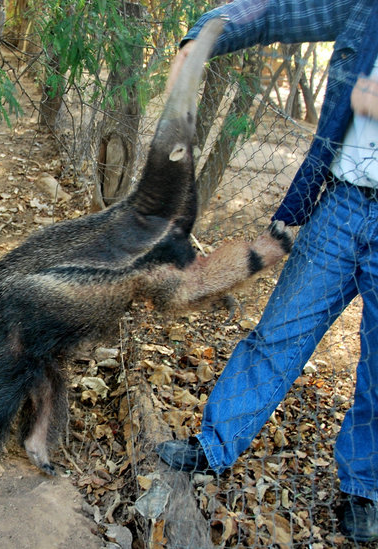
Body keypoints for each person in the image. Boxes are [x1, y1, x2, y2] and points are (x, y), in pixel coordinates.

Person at [154, 0, 378, 542]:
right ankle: (214, 444)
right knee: (278, 333)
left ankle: (364, 487)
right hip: (342, 203)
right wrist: (203, 37)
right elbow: (277, 11)